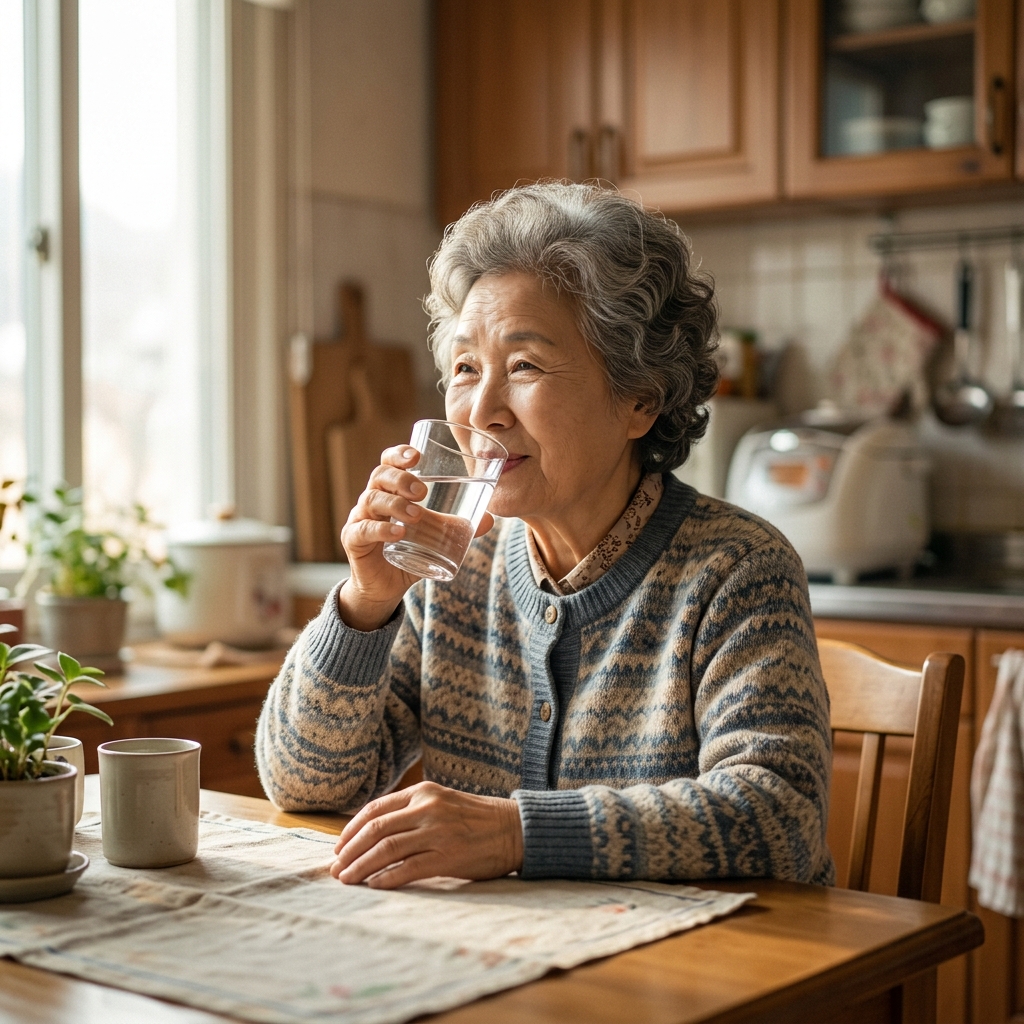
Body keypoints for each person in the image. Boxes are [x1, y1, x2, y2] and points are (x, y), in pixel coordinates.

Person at [256, 182, 834, 890]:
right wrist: (364, 604)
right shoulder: (450, 570)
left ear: (639, 400)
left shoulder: (737, 569)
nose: (484, 410)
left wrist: (515, 832)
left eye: (524, 366)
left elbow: (778, 816)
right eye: (465, 369)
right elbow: (305, 786)